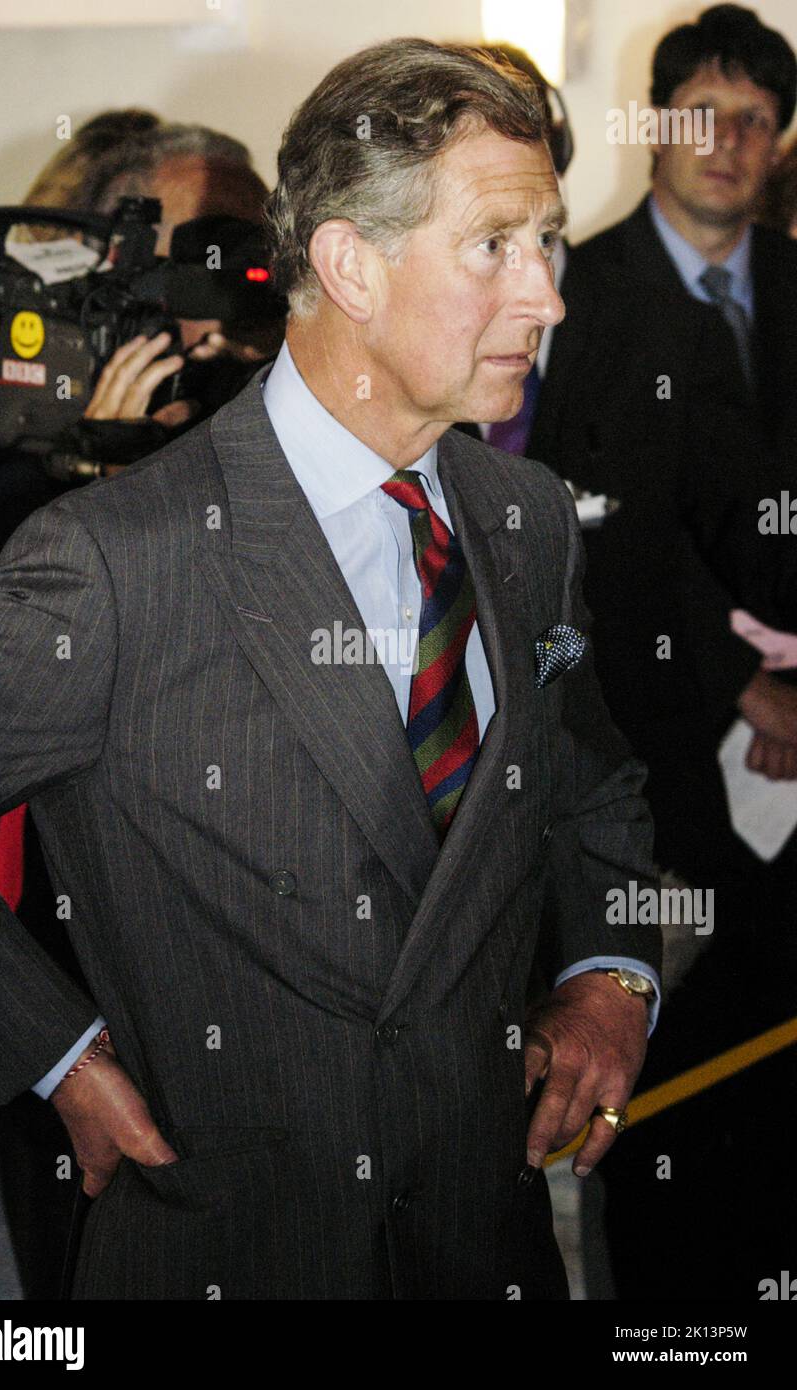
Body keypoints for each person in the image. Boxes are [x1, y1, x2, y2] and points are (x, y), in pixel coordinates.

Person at [0, 38, 662, 1301]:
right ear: (347, 266)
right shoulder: (113, 562)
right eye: (496, 244)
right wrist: (49, 1050)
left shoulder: (529, 518)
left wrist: (610, 973)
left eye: (546, 241)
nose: (548, 297)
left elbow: (589, 780)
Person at [0, 115, 282, 1301]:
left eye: (256, 244)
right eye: (207, 247)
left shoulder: (276, 417)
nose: (239, 281)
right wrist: (91, 470)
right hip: (77, 986)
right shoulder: (11, 470)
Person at [523, 4, 797, 1298]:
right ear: (659, 122)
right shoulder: (569, 293)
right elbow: (603, 537)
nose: (728, 141)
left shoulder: (791, 285)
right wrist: (740, 676)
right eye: (705, 111)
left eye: (755, 118)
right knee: (654, 1068)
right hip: (657, 738)